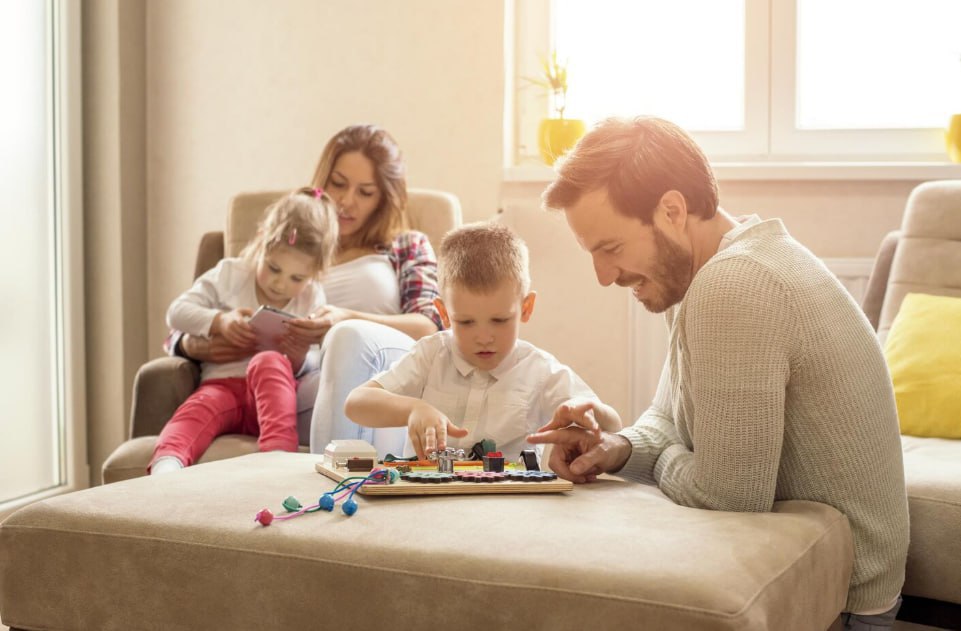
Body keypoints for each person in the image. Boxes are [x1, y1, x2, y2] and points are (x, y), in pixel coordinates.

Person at [525, 116, 909, 628]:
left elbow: (727, 496)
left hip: (840, 600)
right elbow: (667, 421)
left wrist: (665, 461)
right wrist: (614, 449)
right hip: (819, 574)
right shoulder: (700, 274)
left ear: (672, 210)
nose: (603, 277)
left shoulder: (737, 285)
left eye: (611, 248)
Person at [170, 125, 442, 458]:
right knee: (286, 372)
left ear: (384, 198)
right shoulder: (286, 243)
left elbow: (430, 326)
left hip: (375, 378)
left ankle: (335, 469)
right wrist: (193, 345)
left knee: (346, 339)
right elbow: (201, 308)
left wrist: (344, 320)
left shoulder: (406, 246)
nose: (345, 201)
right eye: (338, 184)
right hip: (294, 383)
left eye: (365, 192)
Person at [344, 222, 621, 461]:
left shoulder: (540, 370)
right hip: (428, 500)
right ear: (444, 314)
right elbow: (356, 403)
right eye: (465, 322)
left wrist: (590, 411)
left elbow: (613, 424)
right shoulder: (432, 354)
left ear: (525, 308)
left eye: (499, 320)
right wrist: (414, 408)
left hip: (504, 506)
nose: (484, 337)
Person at [150, 188, 339, 474]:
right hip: (222, 384)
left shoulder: (312, 296)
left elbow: (318, 360)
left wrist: (299, 356)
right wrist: (219, 322)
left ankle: (277, 462)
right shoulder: (231, 274)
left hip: (276, 393)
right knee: (196, 411)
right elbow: (176, 312)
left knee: (269, 361)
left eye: (296, 277)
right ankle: (167, 463)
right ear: (261, 241)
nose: (280, 284)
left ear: (314, 274)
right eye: (273, 267)